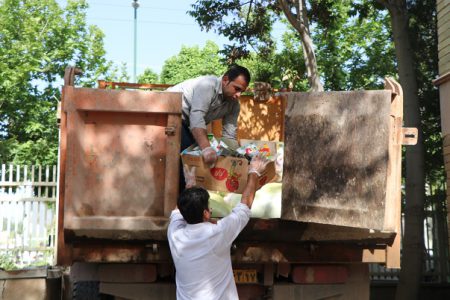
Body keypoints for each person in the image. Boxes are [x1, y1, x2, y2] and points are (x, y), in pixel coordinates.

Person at [167, 155, 269, 300]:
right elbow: (245, 205)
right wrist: (254, 171)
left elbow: (177, 211)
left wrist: (190, 186)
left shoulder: (175, 234)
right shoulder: (217, 233)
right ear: (206, 213)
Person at [167, 65, 251, 169]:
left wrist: (234, 158)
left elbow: (229, 135)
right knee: (186, 157)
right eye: (237, 89)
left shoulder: (234, 104)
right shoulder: (207, 85)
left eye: (242, 91)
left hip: (188, 122)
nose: (239, 95)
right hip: (166, 114)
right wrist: (206, 148)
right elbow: (197, 118)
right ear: (225, 80)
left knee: (197, 154)